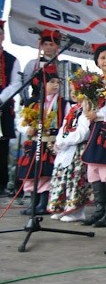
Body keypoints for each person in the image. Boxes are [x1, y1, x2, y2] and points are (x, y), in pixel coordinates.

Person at [80, 42, 106, 228]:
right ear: (97, 61)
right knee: (93, 168)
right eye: (103, 58)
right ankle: (100, 209)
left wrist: (97, 114)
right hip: (97, 129)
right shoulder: (94, 81)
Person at [16, 67, 68, 215]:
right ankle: (33, 204)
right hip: (34, 143)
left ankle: (44, 204)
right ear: (42, 84)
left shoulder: (63, 103)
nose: (56, 85)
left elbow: (66, 123)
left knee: (46, 174)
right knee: (32, 174)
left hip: (50, 143)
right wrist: (27, 129)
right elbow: (21, 121)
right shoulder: (32, 102)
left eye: (58, 82)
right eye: (52, 82)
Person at [47, 84, 91, 222]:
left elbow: (84, 132)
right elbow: (64, 127)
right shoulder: (73, 109)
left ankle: (76, 211)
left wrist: (66, 141)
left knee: (75, 180)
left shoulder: (86, 109)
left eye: (76, 91)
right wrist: (59, 140)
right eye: (72, 91)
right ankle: (61, 207)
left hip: (77, 150)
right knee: (62, 178)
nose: (73, 93)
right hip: (66, 149)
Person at [0, 20, 22, 198]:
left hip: (3, 107)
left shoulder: (11, 59)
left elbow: (16, 84)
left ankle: (1, 184)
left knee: (2, 147)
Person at [21, 29, 63, 103]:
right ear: (42, 46)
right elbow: (24, 85)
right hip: (36, 102)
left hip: (56, 104)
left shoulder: (61, 66)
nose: (48, 47)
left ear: (57, 46)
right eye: (45, 44)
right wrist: (27, 101)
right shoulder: (33, 64)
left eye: (51, 44)